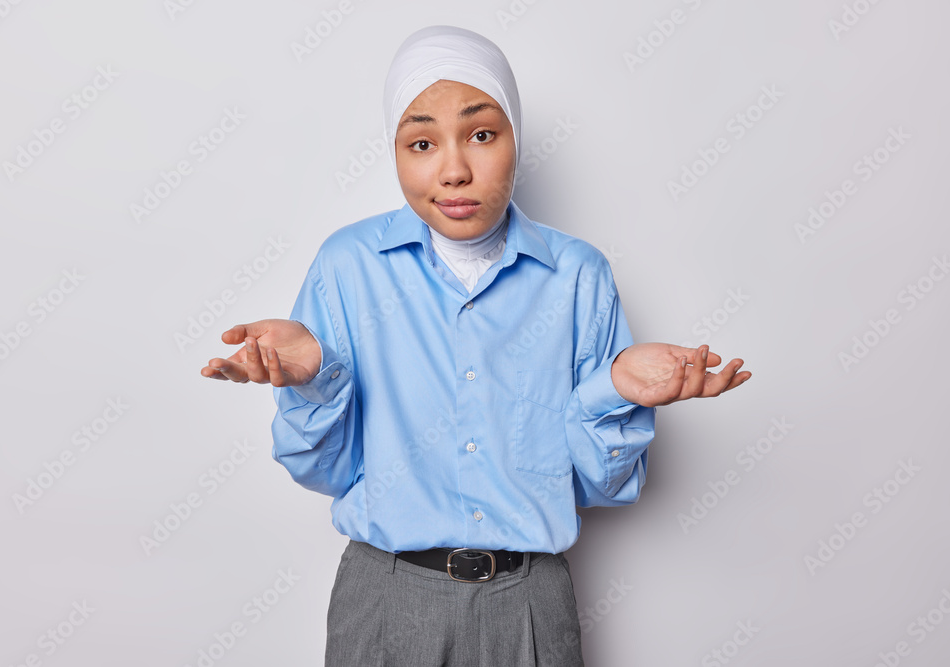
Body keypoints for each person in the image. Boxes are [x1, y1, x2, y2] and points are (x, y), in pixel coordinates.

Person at [201, 25, 750, 666]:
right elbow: (324, 473)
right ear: (395, 151)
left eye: (482, 134)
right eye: (422, 143)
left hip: (530, 605)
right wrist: (318, 381)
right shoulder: (348, 266)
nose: (455, 169)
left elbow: (600, 487)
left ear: (516, 137)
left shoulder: (577, 276)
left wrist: (613, 390)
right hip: (386, 598)